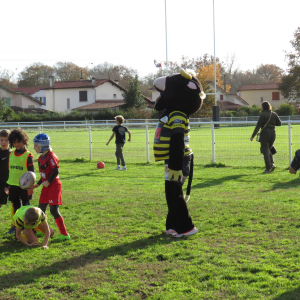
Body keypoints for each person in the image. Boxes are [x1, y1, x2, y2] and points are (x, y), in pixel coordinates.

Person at [31, 133, 70, 241]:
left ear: (43, 146)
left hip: (54, 186)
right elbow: (43, 175)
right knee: (40, 210)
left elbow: (55, 171)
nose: (34, 148)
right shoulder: (40, 158)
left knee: (53, 210)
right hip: (46, 187)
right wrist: (37, 184)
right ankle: (42, 230)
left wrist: (48, 181)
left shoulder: (51, 156)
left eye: (35, 146)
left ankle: (64, 234)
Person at [5, 128, 34, 234]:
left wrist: (31, 187)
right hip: (13, 185)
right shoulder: (11, 154)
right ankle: (16, 227)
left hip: (24, 186)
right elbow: (10, 171)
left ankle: (29, 227)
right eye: (14, 142)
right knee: (15, 206)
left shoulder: (28, 155)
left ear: (24, 140)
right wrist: (7, 185)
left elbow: (32, 173)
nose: (17, 144)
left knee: (26, 206)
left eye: (19, 141)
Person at [250, 101, 281, 173]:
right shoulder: (274, 114)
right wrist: (271, 124)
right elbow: (279, 123)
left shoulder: (263, 115)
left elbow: (258, 126)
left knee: (265, 150)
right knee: (268, 148)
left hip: (265, 133)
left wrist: (253, 136)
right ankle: (272, 164)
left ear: (263, 107)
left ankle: (268, 168)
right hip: (273, 133)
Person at [0, 130, 11, 209]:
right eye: (1, 140)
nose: (4, 142)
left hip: (5, 184)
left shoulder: (12, 154)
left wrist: (8, 185)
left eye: (6, 140)